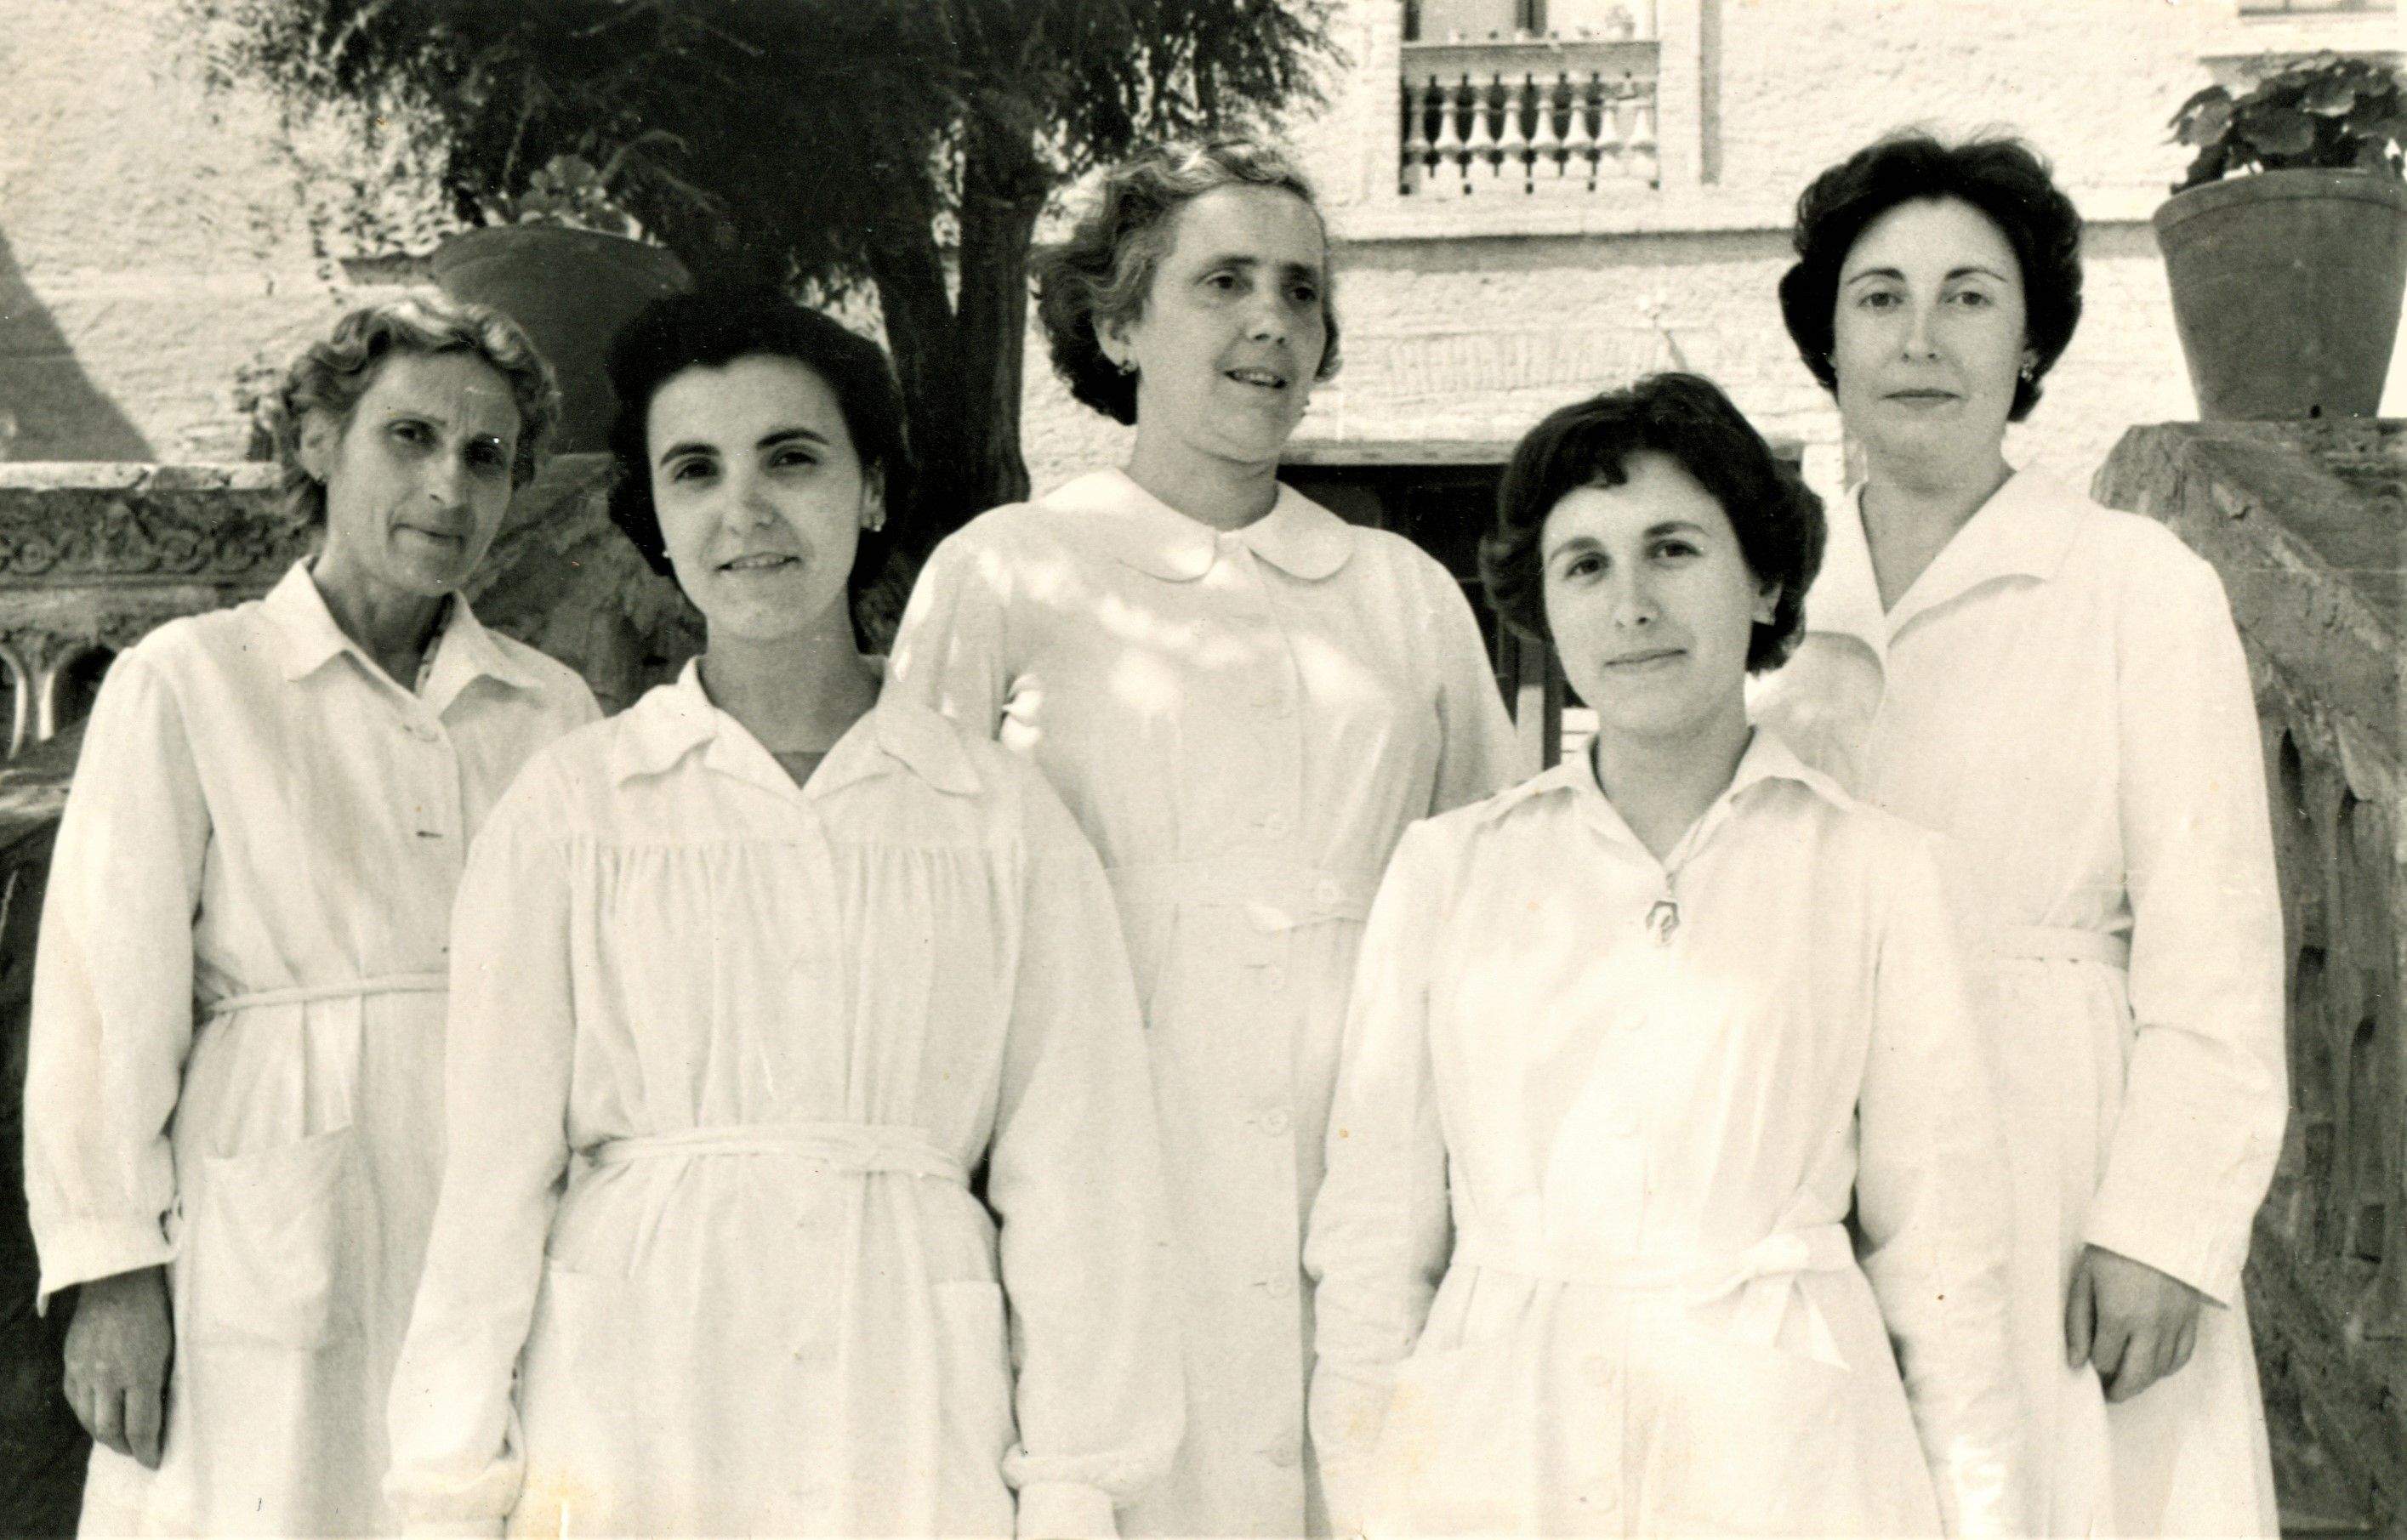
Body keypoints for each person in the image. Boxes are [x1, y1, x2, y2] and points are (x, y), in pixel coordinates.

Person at [384, 288, 1181, 1538]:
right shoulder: (576, 809)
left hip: (912, 1402)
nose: (744, 511)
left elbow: (1080, 1186)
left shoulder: (993, 815)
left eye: (792, 459)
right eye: (694, 471)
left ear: (869, 490)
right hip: (639, 1401)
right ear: (655, 517)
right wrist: (445, 1490)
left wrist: (1074, 1490)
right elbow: (489, 1188)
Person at [886, 139, 1525, 1536]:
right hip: (1103, 1159)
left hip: (1359, 1158)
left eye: (1300, 293)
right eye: (1221, 282)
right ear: (1117, 323)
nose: (1270, 325)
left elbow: (1501, 911)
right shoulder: (1008, 572)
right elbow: (914, 921)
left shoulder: (1401, 596)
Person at [1304, 373, 2026, 1537]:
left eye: (1673, 550)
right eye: (1584, 565)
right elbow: (1372, 1251)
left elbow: (1946, 1267)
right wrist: (1367, 1504)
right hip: (1500, 1450)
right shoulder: (1451, 871)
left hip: (1788, 1459)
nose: (1629, 603)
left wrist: (1986, 1519)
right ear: (1541, 604)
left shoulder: (1876, 872)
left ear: (1764, 580)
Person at [1752, 131, 2288, 1536]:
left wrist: (2164, 1229)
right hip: (1803, 1152)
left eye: (1968, 295)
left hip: (2049, 1151)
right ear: (1827, 337)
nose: (1919, 339)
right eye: (1877, 297)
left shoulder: (2133, 585)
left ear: (2031, 337)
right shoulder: (1759, 595)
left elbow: (2214, 938)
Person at [23, 295, 600, 1536]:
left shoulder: (552, 713)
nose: (449, 485)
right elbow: (99, 998)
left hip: (493, 1205)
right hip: (271, 1199)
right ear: (318, 443)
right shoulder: (192, 680)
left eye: (486, 456)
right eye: (409, 438)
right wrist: (113, 1268)